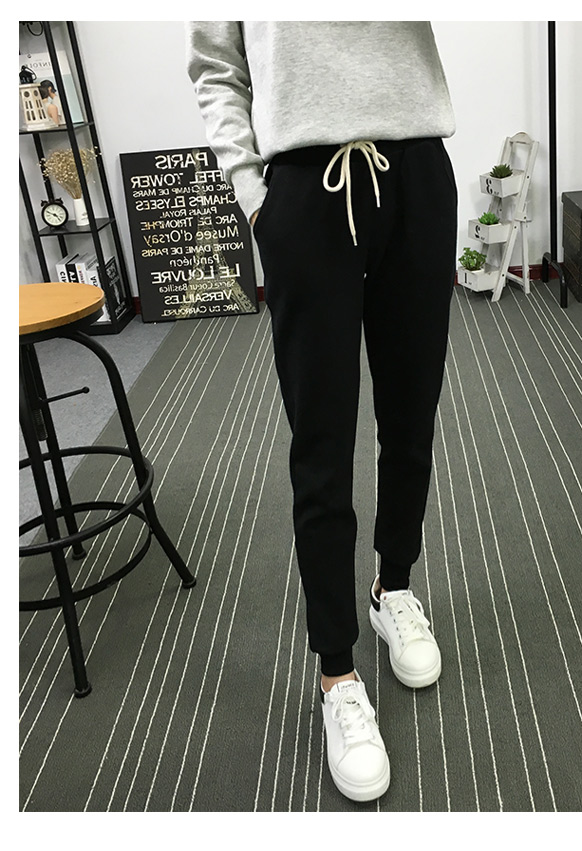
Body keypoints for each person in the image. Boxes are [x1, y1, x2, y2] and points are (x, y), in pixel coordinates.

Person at [186, 21, 458, 802]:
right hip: (304, 187)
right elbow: (215, 62)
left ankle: (392, 588)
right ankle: (337, 672)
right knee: (323, 439)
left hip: (415, 169)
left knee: (412, 411)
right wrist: (253, 196)